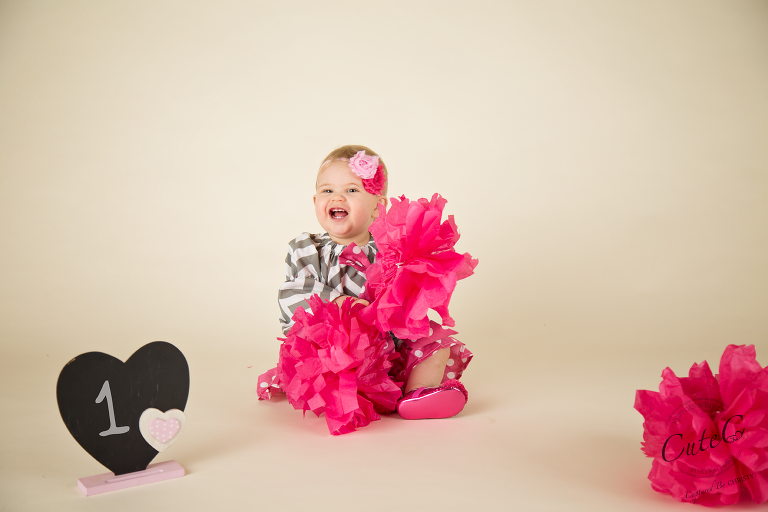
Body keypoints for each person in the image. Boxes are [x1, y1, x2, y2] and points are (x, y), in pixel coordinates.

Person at [259, 144, 472, 420]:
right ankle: (365, 393)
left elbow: (406, 296)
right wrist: (341, 303)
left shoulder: (389, 252)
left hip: (388, 345)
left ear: (377, 207)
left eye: (351, 190)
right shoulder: (306, 249)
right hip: (335, 349)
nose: (337, 197)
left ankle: (418, 393)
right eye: (327, 191)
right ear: (315, 203)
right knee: (329, 361)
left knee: (434, 340)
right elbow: (293, 293)